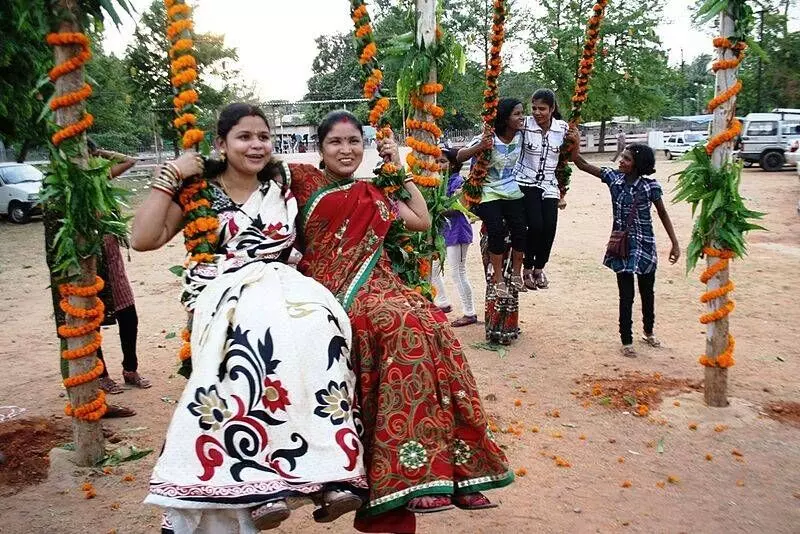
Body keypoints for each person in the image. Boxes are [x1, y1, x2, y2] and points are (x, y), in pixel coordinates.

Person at [132, 103, 366, 533]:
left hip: (284, 288)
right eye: (244, 136)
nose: (256, 145)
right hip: (224, 290)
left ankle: (330, 468)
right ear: (220, 143)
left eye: (264, 137)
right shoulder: (200, 193)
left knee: (326, 327)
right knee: (253, 335)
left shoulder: (282, 187)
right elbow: (143, 238)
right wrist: (171, 175)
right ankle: (255, 482)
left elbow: (340, 180)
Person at [289, 110, 513, 531]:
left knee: (431, 321)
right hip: (334, 287)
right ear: (320, 148)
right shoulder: (303, 181)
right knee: (400, 324)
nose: (346, 149)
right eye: (335, 142)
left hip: (382, 281)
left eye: (355, 141)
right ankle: (409, 470)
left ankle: (455, 467)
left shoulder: (374, 190)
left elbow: (421, 220)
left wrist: (399, 169)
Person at [568, 133, 681, 358]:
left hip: (645, 246)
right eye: (623, 157)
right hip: (623, 247)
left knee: (648, 293)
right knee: (626, 295)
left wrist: (675, 243)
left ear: (638, 165)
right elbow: (582, 164)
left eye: (627, 159)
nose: (621, 161)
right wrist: (575, 144)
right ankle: (627, 340)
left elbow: (663, 213)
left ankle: (648, 332)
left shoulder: (650, 187)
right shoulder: (613, 178)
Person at [86, 140, 150, 395]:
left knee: (129, 317)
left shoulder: (100, 179)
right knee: (91, 322)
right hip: (87, 263)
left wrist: (98, 152)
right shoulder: (70, 188)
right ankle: (100, 374)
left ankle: (130, 370)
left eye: (90, 155)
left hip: (112, 258)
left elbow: (129, 160)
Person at [512, 89, 569, 291]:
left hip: (549, 183)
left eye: (542, 109)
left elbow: (568, 156)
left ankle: (539, 268)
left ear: (552, 109)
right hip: (525, 181)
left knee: (550, 228)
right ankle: (526, 268)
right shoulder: (524, 124)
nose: (537, 112)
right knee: (535, 226)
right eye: (534, 108)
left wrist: (576, 142)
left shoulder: (563, 128)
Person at [430, 147, 477, 327]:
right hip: (442, 231)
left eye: (443, 162)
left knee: (458, 272)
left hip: (457, 231)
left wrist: (434, 208)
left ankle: (469, 312)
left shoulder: (458, 182)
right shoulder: (436, 181)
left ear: (454, 164)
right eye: (437, 162)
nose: (439, 165)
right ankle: (442, 302)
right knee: (433, 269)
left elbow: (457, 206)